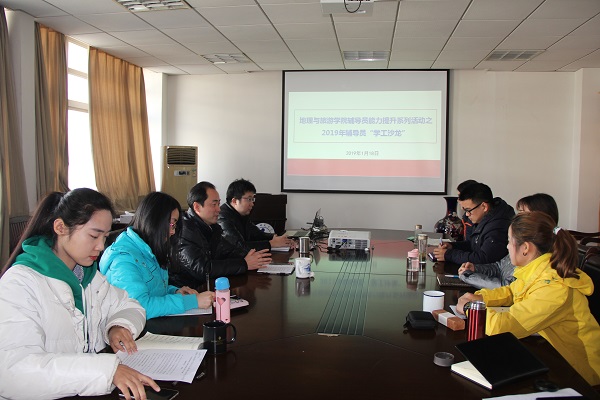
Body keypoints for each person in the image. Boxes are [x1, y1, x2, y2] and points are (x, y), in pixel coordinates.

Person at [0, 188, 159, 400]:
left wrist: (118, 325)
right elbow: (13, 372)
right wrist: (106, 371)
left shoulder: (89, 277)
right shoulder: (20, 284)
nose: (101, 246)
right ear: (60, 228)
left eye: (105, 237)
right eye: (94, 236)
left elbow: (130, 305)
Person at [457, 212, 600, 386]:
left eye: (509, 241)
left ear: (525, 248)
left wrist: (470, 308)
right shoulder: (539, 271)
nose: (507, 247)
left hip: (582, 375)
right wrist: (481, 297)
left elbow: (503, 327)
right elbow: (511, 292)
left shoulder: (554, 286)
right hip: (553, 358)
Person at [100, 192, 214, 319]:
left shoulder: (147, 248)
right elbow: (138, 307)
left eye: (175, 226)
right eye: (171, 224)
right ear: (154, 221)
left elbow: (153, 289)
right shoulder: (123, 259)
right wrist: (191, 301)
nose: (173, 232)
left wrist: (175, 291)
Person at [170, 181, 272, 288]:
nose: (219, 209)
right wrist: (244, 264)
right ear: (197, 207)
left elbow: (229, 250)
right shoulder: (184, 231)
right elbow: (203, 269)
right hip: (187, 291)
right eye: (214, 204)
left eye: (219, 204)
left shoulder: (212, 227)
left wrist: (254, 257)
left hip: (208, 287)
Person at [459, 193, 559, 289]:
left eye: (523, 214)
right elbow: (499, 267)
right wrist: (475, 268)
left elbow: (510, 288)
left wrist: (469, 276)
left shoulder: (539, 251)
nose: (516, 218)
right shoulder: (521, 242)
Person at [433, 183, 514, 264]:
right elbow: (473, 245)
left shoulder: (498, 226)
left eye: (468, 210)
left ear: (484, 207)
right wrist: (452, 246)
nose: (467, 215)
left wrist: (449, 255)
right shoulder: (484, 218)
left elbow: (484, 259)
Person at [218, 178, 292, 252]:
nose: (252, 204)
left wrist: (276, 238)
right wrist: (271, 243)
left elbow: (257, 234)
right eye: (249, 199)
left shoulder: (242, 214)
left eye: (253, 199)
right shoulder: (222, 218)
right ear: (234, 201)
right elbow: (238, 246)